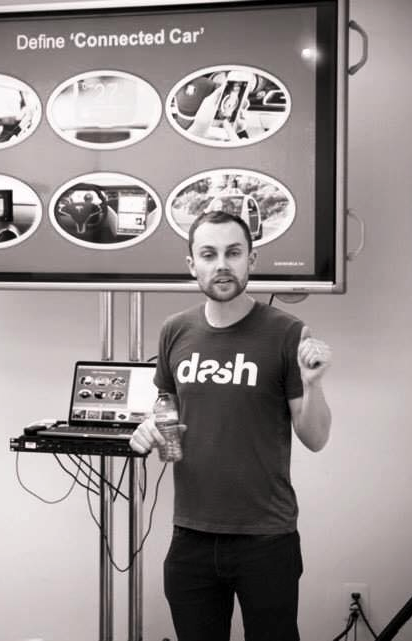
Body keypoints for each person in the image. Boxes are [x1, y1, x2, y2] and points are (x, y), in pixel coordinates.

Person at [129, 210, 332, 641]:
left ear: (251, 260)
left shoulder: (287, 332)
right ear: (192, 265)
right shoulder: (174, 330)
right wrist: (149, 427)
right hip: (190, 537)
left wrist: (313, 385)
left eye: (233, 253)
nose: (221, 265)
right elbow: (165, 406)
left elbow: (315, 438)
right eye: (209, 254)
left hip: (266, 538)